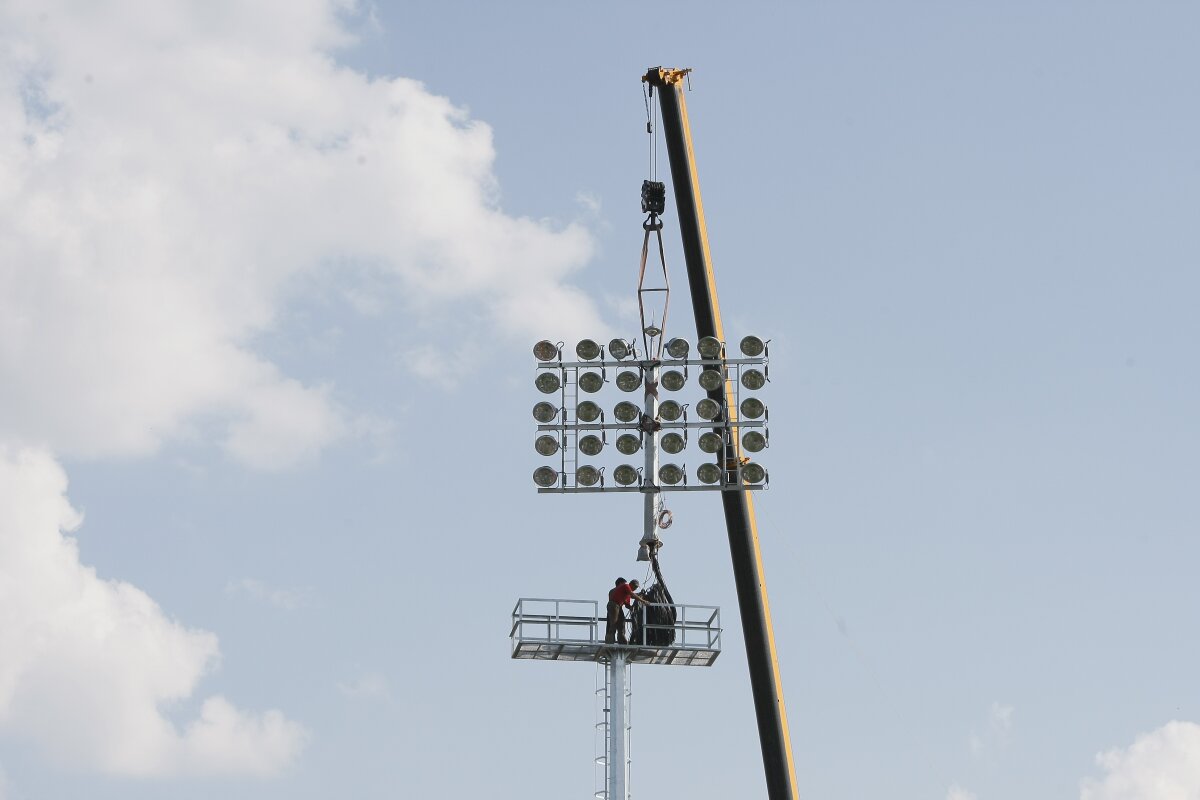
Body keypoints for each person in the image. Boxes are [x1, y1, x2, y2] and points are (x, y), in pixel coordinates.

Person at [604, 577, 647, 644]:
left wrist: (632, 607)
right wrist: (643, 601)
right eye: (634, 587)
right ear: (631, 584)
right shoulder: (626, 586)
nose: (634, 589)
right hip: (614, 605)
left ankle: (622, 642)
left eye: (636, 588)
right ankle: (609, 642)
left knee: (622, 624)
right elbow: (632, 594)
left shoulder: (627, 594)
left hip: (618, 607)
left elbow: (627, 605)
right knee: (613, 624)